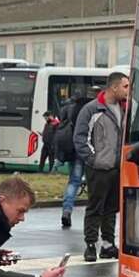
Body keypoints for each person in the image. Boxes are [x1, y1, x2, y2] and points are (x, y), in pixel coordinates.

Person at [74, 71, 131, 262]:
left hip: (117, 167)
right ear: (113, 87)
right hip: (98, 168)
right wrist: (93, 160)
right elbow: (80, 138)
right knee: (95, 207)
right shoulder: (92, 109)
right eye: (125, 86)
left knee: (111, 208)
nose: (128, 90)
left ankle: (108, 244)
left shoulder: (124, 109)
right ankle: (90, 245)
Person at [54, 89, 94, 229]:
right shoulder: (91, 110)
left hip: (73, 150)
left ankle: (67, 210)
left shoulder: (69, 109)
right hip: (89, 150)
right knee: (93, 182)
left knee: (73, 181)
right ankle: (95, 215)